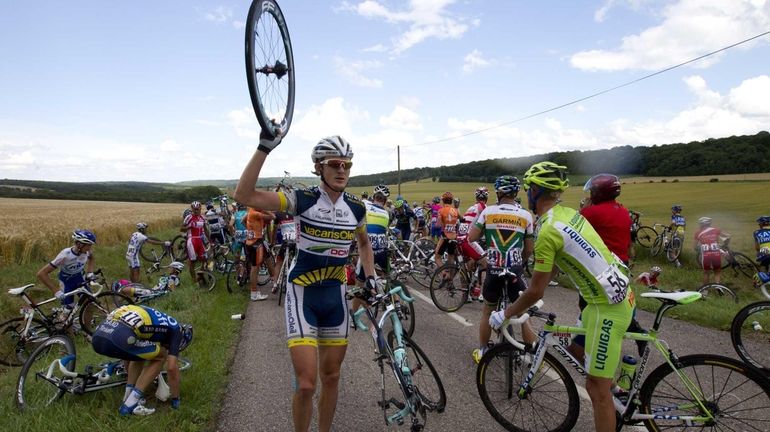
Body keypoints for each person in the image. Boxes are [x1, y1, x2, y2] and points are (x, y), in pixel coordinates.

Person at [234, 130, 376, 432]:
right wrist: (264, 148)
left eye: (347, 165)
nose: (341, 170)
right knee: (308, 383)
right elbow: (243, 195)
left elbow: (364, 244)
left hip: (335, 296)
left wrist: (371, 275)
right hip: (303, 295)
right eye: (334, 163)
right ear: (318, 167)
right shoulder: (302, 199)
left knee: (332, 377)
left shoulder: (357, 208)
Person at [489, 161, 632, 432]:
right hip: (605, 299)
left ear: (535, 191)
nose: (526, 193)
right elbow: (554, 264)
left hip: (607, 307)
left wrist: (505, 313)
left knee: (595, 389)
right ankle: (618, 388)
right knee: (574, 351)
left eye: (529, 187)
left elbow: (537, 290)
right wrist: (529, 292)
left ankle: (610, 392)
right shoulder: (567, 214)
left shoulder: (546, 231)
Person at [572, 173, 645, 360]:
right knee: (616, 300)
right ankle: (632, 329)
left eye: (592, 191)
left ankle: (584, 345)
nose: (589, 194)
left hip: (599, 266)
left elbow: (573, 232)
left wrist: (584, 209)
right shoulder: (623, 211)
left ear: (599, 193)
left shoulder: (591, 213)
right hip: (621, 264)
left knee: (589, 304)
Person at [468, 176, 534, 363]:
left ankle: (482, 351)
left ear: (498, 192)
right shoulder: (526, 215)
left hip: (494, 268)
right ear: (515, 193)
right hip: (514, 270)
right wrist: (520, 262)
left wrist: (484, 243)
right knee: (523, 314)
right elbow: (529, 249)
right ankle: (530, 356)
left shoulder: (488, 211)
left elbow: (471, 237)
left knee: (487, 312)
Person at [91, 304, 192, 415]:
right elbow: (172, 368)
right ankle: (131, 404)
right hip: (118, 336)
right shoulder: (176, 329)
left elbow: (129, 356)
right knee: (161, 356)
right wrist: (175, 398)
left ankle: (128, 396)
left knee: (138, 353)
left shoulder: (157, 318)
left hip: (99, 335)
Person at [37, 230, 97, 311]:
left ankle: (86, 324)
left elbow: (91, 258)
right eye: (88, 245)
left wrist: (90, 272)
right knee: (68, 311)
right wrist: (56, 291)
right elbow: (41, 274)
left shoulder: (86, 252)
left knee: (90, 304)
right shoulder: (65, 255)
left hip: (79, 280)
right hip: (66, 283)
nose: (90, 248)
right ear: (79, 244)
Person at [457, 186, 490, 301]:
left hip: (459, 239)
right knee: (485, 262)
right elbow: (486, 225)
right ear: (487, 197)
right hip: (468, 239)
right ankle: (477, 286)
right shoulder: (484, 207)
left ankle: (465, 296)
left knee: (466, 266)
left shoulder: (471, 208)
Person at [245, 206, 275, 301]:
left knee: (268, 258)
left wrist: (250, 229)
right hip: (255, 242)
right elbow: (272, 217)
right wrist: (266, 209)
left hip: (257, 240)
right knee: (255, 267)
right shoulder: (255, 213)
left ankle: (275, 281)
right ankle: (254, 293)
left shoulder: (250, 211)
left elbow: (243, 220)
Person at [113, 261, 184, 300]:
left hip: (153, 293)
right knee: (128, 289)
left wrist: (163, 294)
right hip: (152, 291)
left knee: (125, 290)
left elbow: (171, 290)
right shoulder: (172, 277)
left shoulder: (173, 278)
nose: (168, 269)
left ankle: (118, 301)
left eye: (170, 268)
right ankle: (119, 302)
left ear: (175, 269)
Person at [694, 217, 729, 284]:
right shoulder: (716, 230)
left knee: (706, 272)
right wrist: (725, 245)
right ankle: (718, 286)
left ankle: (705, 291)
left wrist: (699, 249)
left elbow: (695, 247)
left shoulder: (698, 233)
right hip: (716, 253)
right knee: (717, 271)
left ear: (702, 224)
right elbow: (728, 236)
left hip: (706, 255)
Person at [181, 201, 209, 282]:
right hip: (191, 240)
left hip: (199, 240)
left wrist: (210, 241)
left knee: (205, 259)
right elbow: (181, 229)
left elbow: (206, 230)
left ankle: (199, 275)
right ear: (192, 209)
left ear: (200, 209)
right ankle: (194, 280)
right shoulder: (189, 217)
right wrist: (190, 226)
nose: (196, 211)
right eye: (194, 209)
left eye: (198, 209)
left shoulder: (202, 218)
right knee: (192, 261)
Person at [434, 191, 460, 269]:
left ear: (443, 201)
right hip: (454, 237)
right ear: (451, 201)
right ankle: (450, 278)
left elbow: (438, 225)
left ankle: (445, 274)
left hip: (445, 236)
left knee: (437, 258)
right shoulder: (455, 210)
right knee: (450, 257)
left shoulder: (441, 210)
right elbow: (462, 219)